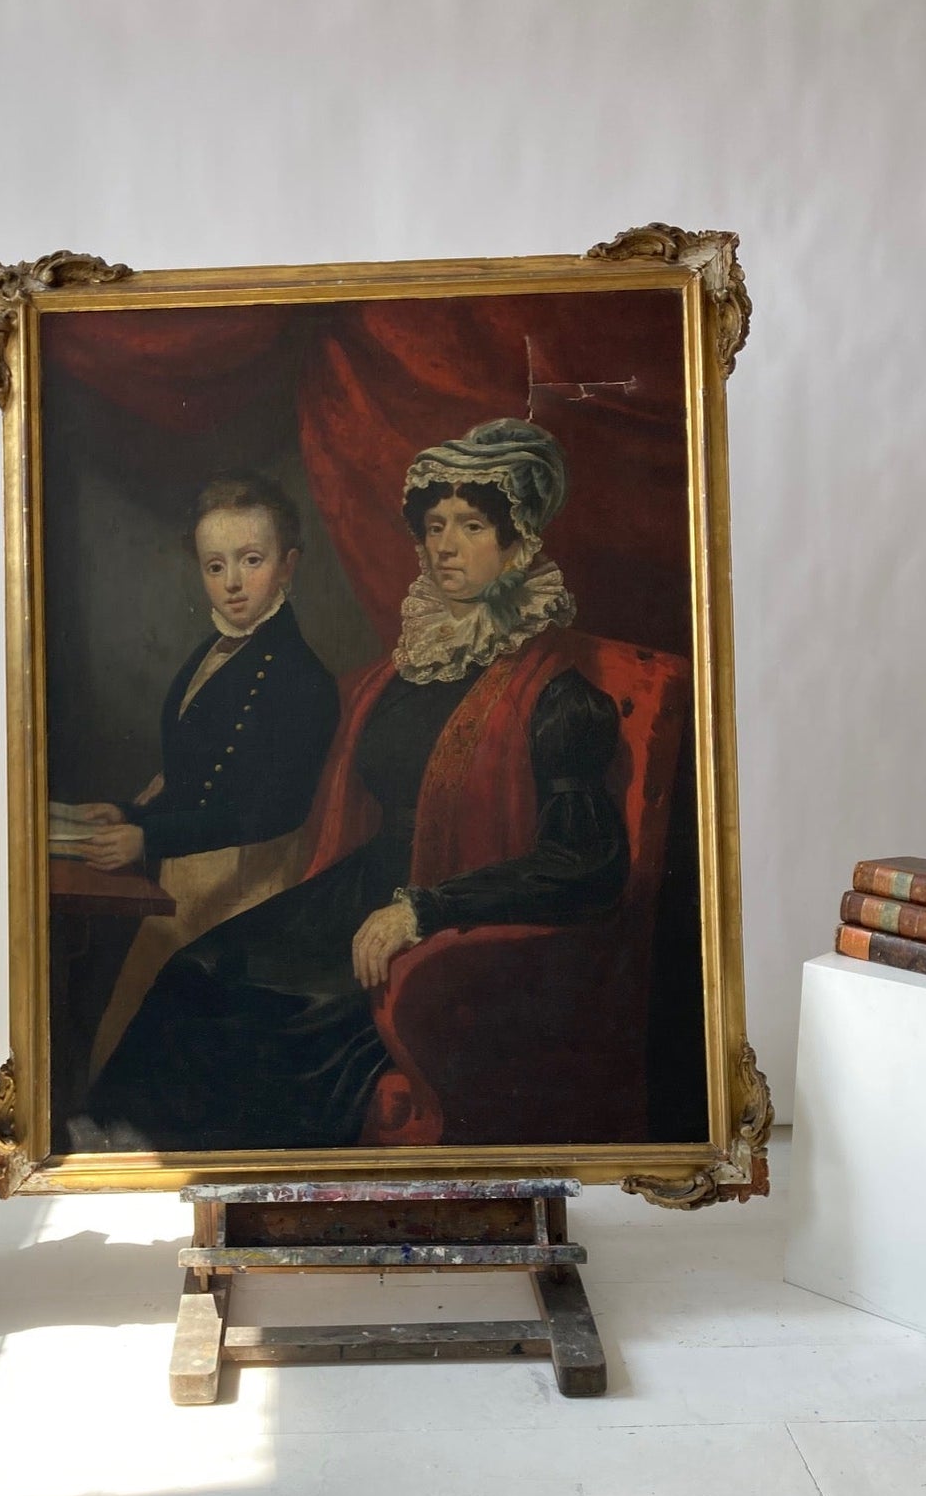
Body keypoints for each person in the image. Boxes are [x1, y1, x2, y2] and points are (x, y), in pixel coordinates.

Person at [76, 417, 629, 1152]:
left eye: (470, 526)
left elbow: (587, 864)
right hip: (363, 885)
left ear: (517, 543)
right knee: (199, 968)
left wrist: (423, 909)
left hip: (454, 918)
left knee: (276, 1013)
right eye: (435, 526)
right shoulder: (408, 671)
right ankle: (112, 1149)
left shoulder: (560, 699)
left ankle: (208, 1166)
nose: (445, 544)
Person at [72, 473, 339, 1074]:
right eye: (215, 566)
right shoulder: (215, 650)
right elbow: (194, 774)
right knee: (137, 1033)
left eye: (251, 560)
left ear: (289, 565)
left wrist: (148, 836)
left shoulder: (300, 677)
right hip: (188, 871)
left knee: (199, 1044)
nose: (233, 583)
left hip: (248, 886)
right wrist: (131, 812)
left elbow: (274, 810)